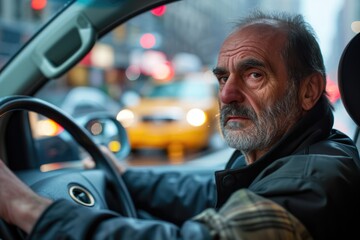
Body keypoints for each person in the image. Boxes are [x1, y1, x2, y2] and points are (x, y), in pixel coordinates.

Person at [1, 10, 360, 240]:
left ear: (309, 90)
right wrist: (124, 176)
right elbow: (205, 193)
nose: (227, 95)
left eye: (254, 74)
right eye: (222, 78)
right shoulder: (279, 154)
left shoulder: (309, 184)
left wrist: (25, 206)